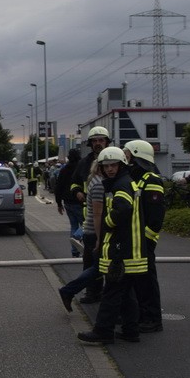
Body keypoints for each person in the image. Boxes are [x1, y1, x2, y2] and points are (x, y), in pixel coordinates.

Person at [77, 148, 150, 345]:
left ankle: (103, 331)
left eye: (113, 165)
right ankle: (130, 331)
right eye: (106, 166)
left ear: (121, 165)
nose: (110, 169)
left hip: (122, 250)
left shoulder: (121, 185)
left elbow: (124, 208)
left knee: (112, 291)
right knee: (125, 293)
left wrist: (107, 222)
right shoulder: (123, 182)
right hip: (129, 249)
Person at [125, 140, 167, 332]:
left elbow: (156, 218)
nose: (125, 157)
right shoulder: (136, 178)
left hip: (144, 242)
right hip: (136, 241)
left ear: (136, 155)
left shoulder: (151, 180)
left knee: (147, 280)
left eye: (127, 154)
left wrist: (147, 239)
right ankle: (141, 315)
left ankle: (152, 319)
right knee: (138, 281)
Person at [69, 126, 111, 304]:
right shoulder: (84, 163)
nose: (98, 144)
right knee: (89, 260)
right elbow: (73, 183)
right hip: (90, 220)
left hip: (110, 219)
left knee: (109, 262)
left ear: (107, 142)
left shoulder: (113, 159)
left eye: (101, 140)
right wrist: (77, 191)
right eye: (94, 141)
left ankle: (110, 294)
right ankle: (92, 292)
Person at [58, 159, 104, 311]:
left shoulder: (94, 180)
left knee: (96, 267)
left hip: (90, 230)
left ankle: (72, 291)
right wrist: (99, 238)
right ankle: (69, 290)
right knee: (98, 268)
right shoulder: (99, 184)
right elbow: (98, 214)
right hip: (94, 232)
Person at [55, 149, 83, 256]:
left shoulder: (64, 169)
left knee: (73, 225)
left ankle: (74, 251)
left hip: (67, 202)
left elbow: (58, 187)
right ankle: (77, 237)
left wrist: (58, 203)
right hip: (79, 201)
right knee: (86, 224)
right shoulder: (81, 168)